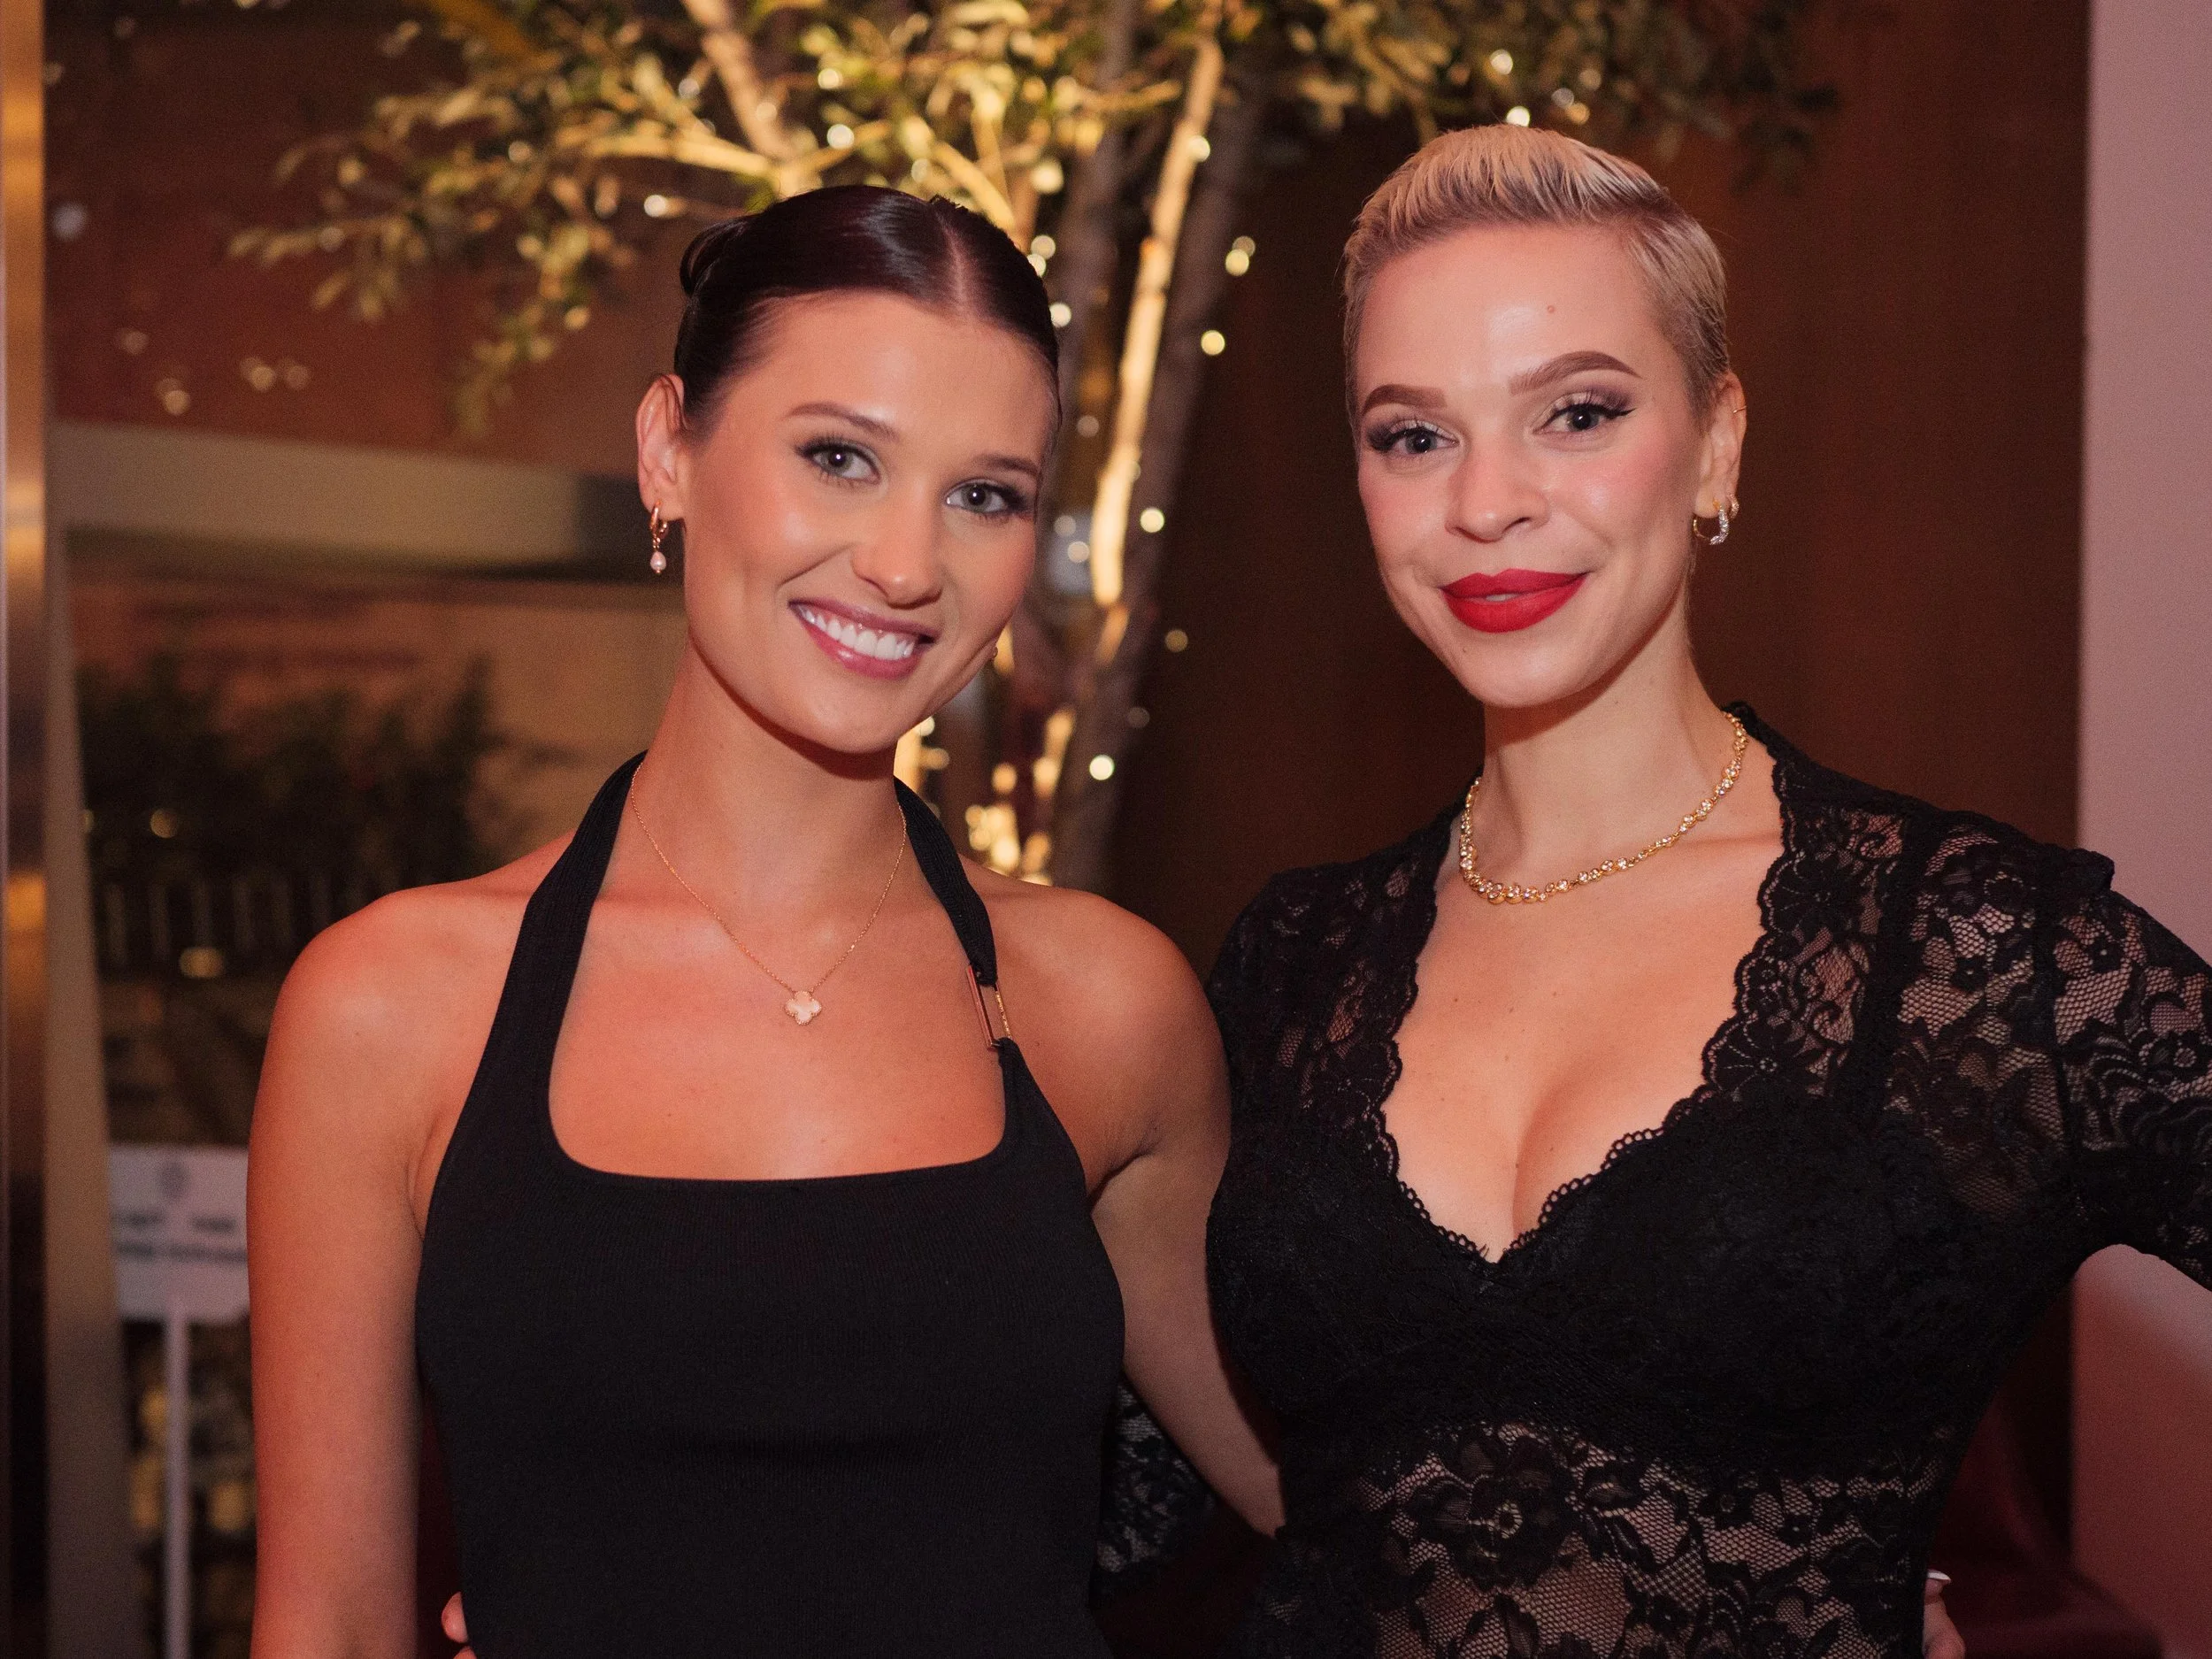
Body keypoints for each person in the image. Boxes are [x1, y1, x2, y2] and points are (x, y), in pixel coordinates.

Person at [1202, 122, 2208, 1657]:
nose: (1486, 502)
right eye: (1414, 434)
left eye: (1578, 413)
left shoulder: (1976, 950)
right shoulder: (1290, 960)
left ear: (1719, 440)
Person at [247, 185, 1278, 1659]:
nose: (907, 566)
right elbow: (331, 1623)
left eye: (983, 494)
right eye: (840, 458)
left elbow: (1346, 1498)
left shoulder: (1106, 1002)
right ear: (670, 448)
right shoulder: (393, 1007)